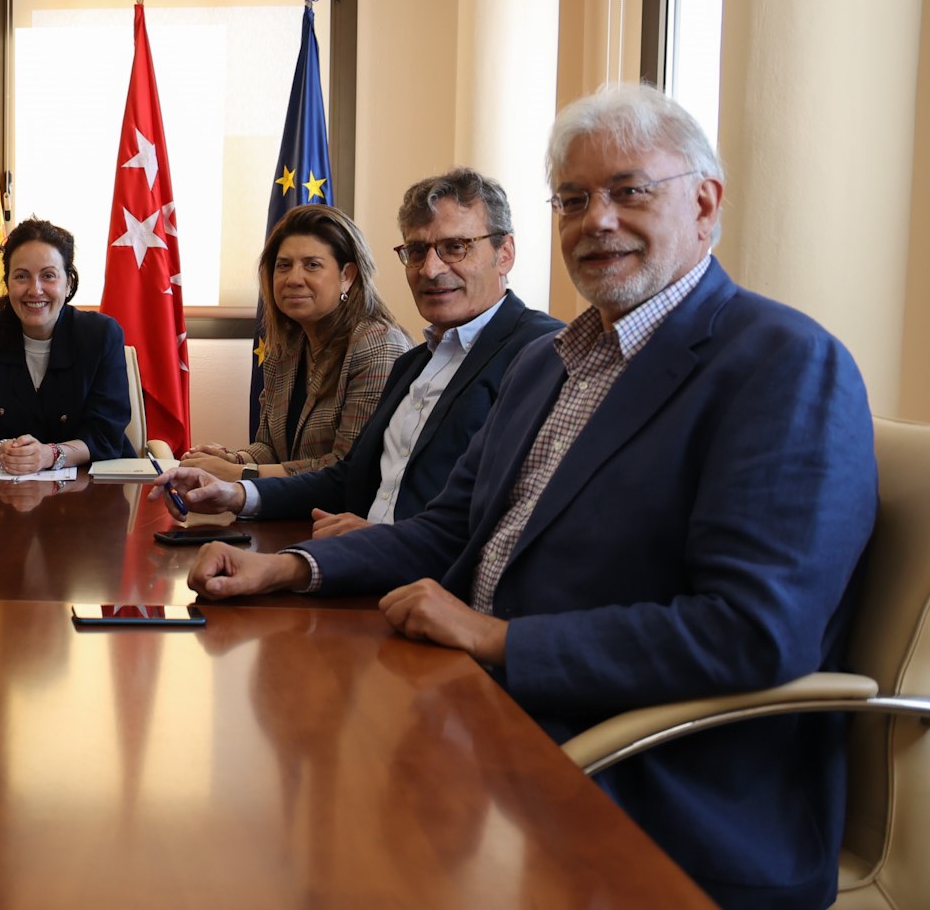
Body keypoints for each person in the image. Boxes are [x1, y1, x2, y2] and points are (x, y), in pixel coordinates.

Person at [179, 85, 877, 910]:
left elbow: (754, 631)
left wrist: (498, 638)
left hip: (643, 776)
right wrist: (291, 568)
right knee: (259, 807)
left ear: (704, 202)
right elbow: (448, 529)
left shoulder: (784, 363)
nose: (597, 220)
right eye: (573, 199)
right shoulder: (549, 363)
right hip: (477, 708)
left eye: (629, 191)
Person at [158, 169, 561, 538]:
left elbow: (509, 514)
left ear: (505, 253)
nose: (431, 269)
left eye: (455, 247)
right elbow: (349, 478)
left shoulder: (542, 351)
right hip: (356, 549)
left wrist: (242, 476)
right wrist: (234, 490)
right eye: (416, 251)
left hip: (417, 571)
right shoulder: (415, 364)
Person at [182, 205, 409, 482]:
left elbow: (348, 468)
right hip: (291, 503)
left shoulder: (378, 346)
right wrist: (232, 459)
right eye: (283, 266)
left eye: (312, 265)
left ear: (347, 276)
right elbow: (269, 448)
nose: (293, 279)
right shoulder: (286, 346)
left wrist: (237, 473)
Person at [0, 217, 134, 473]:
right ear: (7, 283)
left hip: (92, 485)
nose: (35, 290)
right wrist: (3, 451)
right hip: (4, 485)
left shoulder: (101, 334)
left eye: (48, 276)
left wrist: (50, 455)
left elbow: (106, 434)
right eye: (22, 276)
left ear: (68, 283)